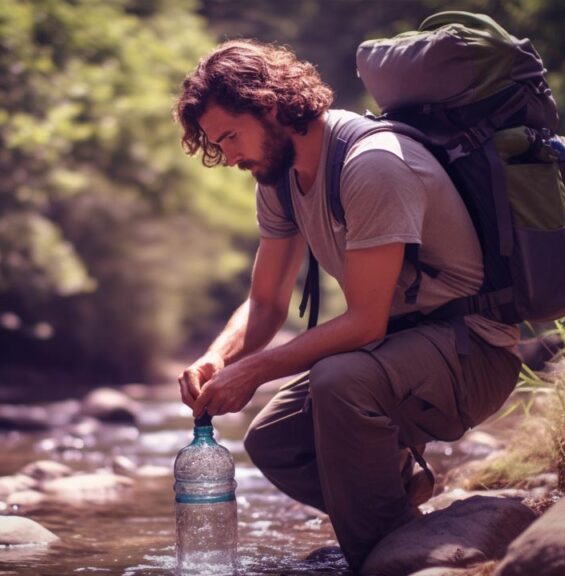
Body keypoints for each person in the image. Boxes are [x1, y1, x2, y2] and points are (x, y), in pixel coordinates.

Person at [173, 39, 522, 572]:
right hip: (402, 350)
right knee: (275, 440)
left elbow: (364, 321)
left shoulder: (371, 164)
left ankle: (390, 556)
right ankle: (401, 512)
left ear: (268, 106)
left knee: (340, 382)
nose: (230, 156)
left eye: (230, 136)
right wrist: (219, 359)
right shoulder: (280, 177)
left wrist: (254, 372)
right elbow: (266, 303)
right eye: (218, 144)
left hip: (473, 350)